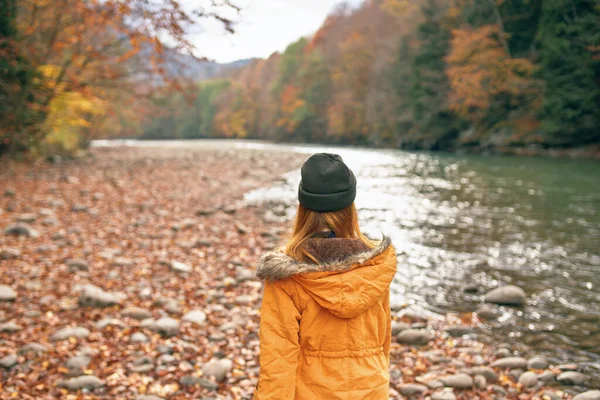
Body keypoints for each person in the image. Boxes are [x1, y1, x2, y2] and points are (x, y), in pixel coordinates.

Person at [253, 153, 397, 399]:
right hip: (371, 388)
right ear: (351, 208)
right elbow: (383, 339)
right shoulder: (375, 263)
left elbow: (278, 358)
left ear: (302, 208)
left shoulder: (287, 272)